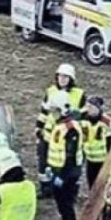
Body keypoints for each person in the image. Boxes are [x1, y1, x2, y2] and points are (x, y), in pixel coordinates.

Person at [37, 64, 86, 198]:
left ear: (71, 79)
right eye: (60, 76)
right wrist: (38, 128)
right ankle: (46, 188)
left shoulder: (79, 94)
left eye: (65, 77)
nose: (62, 79)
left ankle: (66, 189)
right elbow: (43, 112)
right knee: (44, 162)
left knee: (66, 163)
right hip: (49, 133)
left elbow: (83, 114)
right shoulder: (50, 91)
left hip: (67, 134)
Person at [45, 90, 83, 220]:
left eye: (54, 110)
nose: (52, 113)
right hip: (59, 172)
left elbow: (70, 156)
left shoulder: (70, 128)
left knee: (67, 208)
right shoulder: (61, 126)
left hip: (67, 174)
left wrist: (62, 176)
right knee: (63, 208)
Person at [80, 96, 111, 189]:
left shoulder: (107, 122)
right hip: (90, 159)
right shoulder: (82, 118)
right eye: (88, 106)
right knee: (91, 185)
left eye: (92, 107)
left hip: (103, 160)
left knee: (103, 185)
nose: (89, 109)